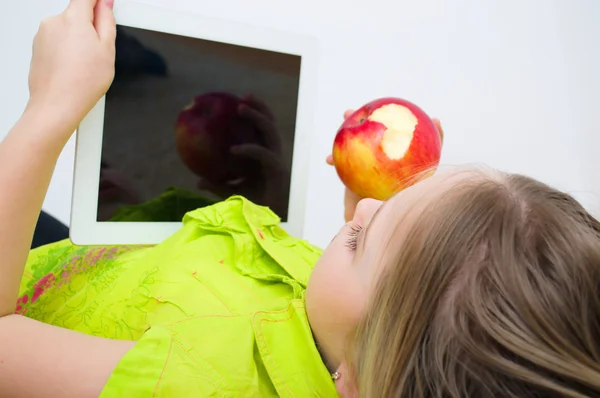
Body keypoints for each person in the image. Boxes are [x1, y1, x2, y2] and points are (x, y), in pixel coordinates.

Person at [1, 1, 600, 397]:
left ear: (356, 381)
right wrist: (257, 198)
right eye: (393, 199)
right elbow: (304, 279)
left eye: (363, 237)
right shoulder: (349, 335)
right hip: (132, 264)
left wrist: (49, 110)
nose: (363, 206)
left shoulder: (189, 384)